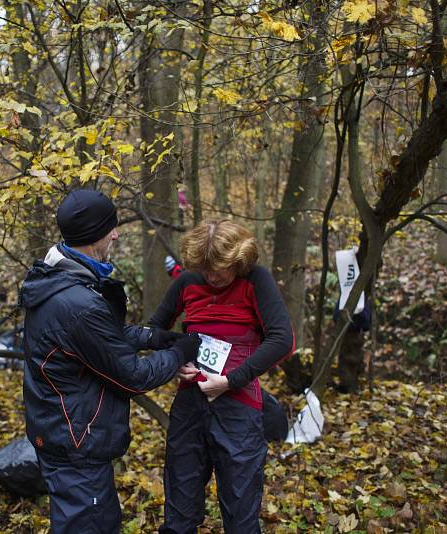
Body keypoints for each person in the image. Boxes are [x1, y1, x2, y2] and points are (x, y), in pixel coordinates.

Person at [19, 188, 201, 533]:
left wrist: (155, 337)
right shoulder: (77, 302)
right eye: (110, 228)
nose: (116, 234)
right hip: (76, 440)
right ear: (92, 236)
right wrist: (179, 352)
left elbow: (99, 342)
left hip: (62, 431)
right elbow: (132, 375)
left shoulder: (58, 277)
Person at [148, 219, 296, 533]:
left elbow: (282, 340)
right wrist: (175, 358)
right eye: (205, 269)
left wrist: (231, 381)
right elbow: (154, 330)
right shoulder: (187, 281)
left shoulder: (256, 280)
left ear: (239, 260)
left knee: (241, 513)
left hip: (239, 407)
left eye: (220, 269)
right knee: (178, 512)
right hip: (190, 404)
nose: (212, 276)